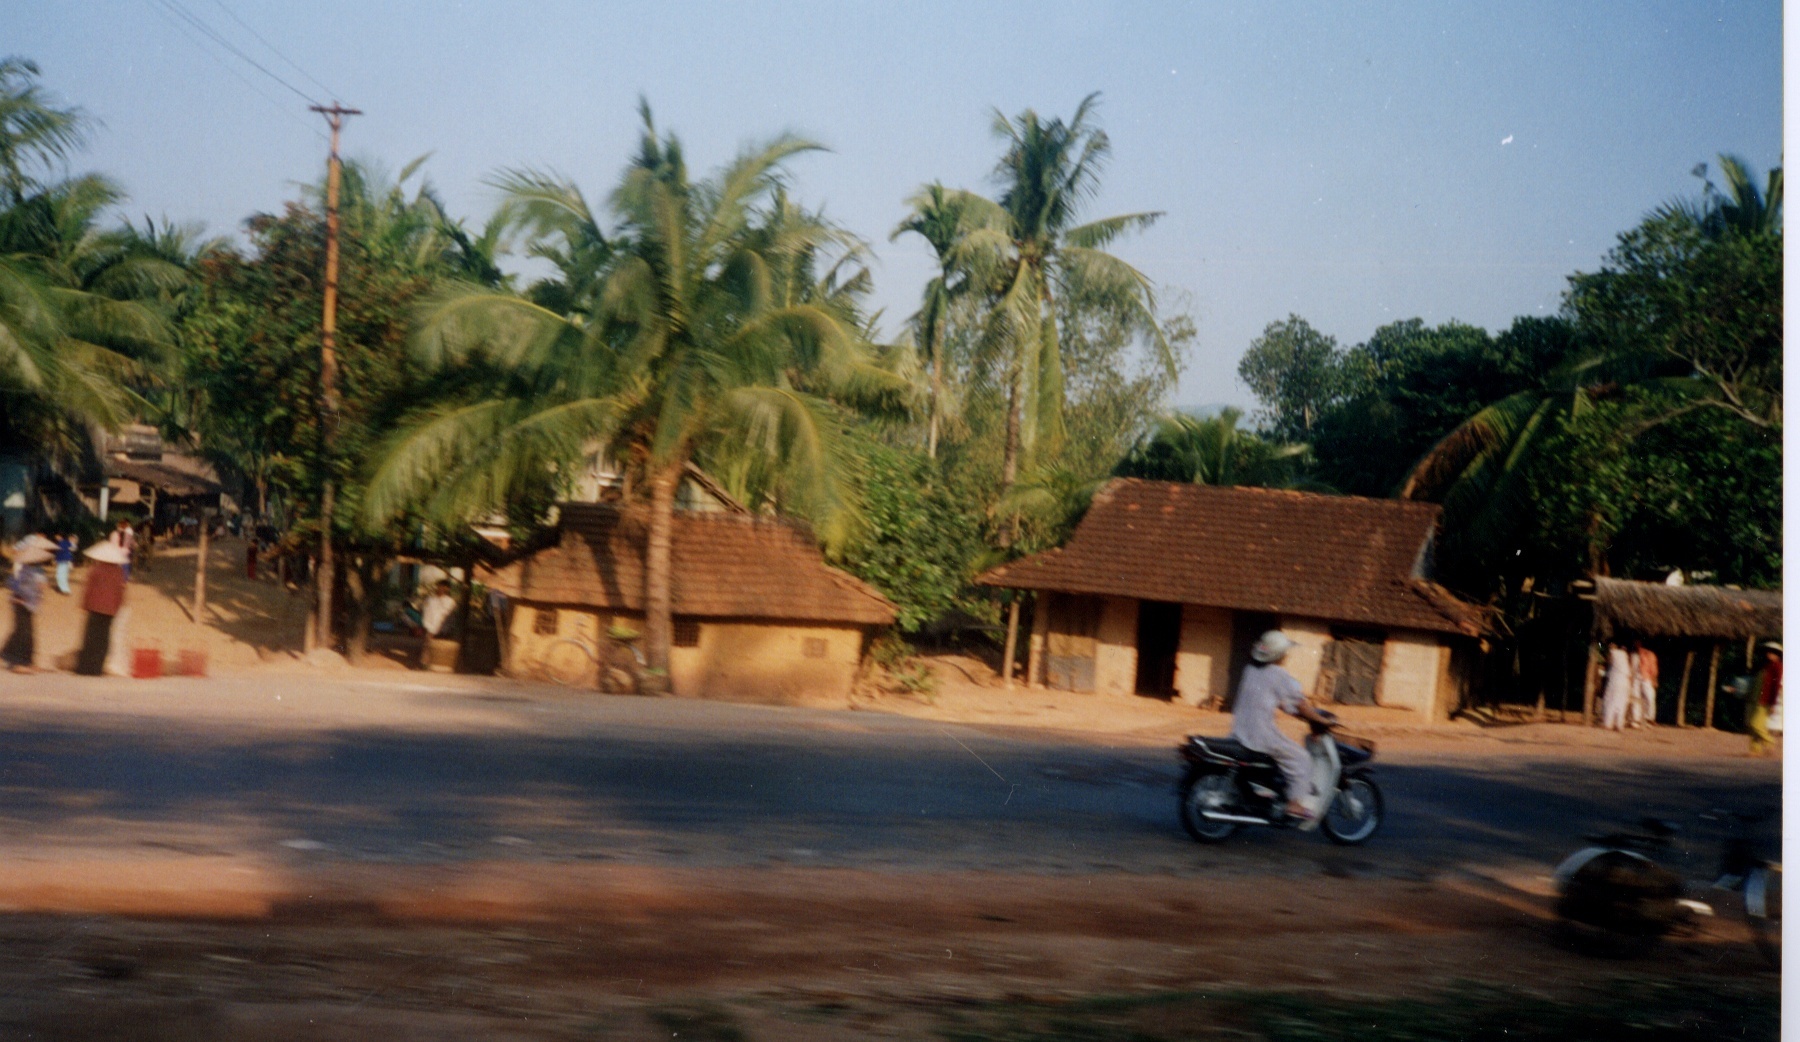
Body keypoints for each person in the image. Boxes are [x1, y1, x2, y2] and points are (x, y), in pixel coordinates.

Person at [1229, 630, 1333, 821]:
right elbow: (1300, 704)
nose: (1287, 655)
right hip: (1261, 734)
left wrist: (1297, 712)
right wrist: (1319, 720)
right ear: (1280, 655)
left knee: (1285, 753)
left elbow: (1284, 703)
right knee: (1301, 758)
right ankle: (1295, 804)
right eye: (1285, 652)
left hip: (1240, 731)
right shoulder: (1278, 674)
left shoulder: (1249, 669)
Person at [75, 541, 129, 675]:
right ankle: (97, 668)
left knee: (90, 637)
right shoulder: (119, 572)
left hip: (94, 607)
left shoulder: (95, 570)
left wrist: (84, 605)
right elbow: (120, 592)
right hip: (110, 609)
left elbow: (88, 589)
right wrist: (118, 607)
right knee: (103, 638)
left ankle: (85, 668)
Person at [3, 539, 51, 673]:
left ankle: (25, 661)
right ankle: (18, 663)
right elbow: (14, 584)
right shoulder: (27, 570)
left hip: (27, 604)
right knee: (24, 633)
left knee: (26, 632)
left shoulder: (35, 570)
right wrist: (21, 597)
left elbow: (14, 583)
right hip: (22, 604)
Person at [1747, 642, 1782, 757]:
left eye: (1772, 652)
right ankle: (1755, 750)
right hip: (1755, 698)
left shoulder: (1778, 667)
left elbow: (1776, 686)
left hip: (1765, 700)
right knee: (1751, 725)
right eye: (1768, 652)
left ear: (1778, 655)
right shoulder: (1765, 666)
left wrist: (1773, 703)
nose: (1769, 654)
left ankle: (1769, 742)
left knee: (1755, 724)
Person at [1600, 643, 1632, 731]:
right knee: (1621, 702)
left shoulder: (1613, 652)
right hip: (1625, 681)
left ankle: (1608, 724)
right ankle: (1619, 724)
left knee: (1610, 701)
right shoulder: (1624, 655)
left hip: (1615, 680)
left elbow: (1608, 661)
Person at [1630, 640, 1659, 728]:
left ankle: (1649, 718)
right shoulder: (1633, 655)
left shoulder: (1649, 654)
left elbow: (1653, 669)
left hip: (1646, 678)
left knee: (1649, 697)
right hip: (1635, 679)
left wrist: (1654, 679)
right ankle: (1636, 719)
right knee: (1635, 698)